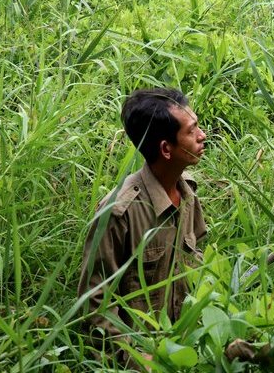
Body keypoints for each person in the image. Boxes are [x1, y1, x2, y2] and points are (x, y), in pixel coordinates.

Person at [78, 88, 207, 369]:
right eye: (192, 130)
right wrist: (136, 358)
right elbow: (94, 302)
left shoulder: (189, 195)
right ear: (165, 149)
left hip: (184, 352)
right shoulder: (119, 212)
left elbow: (197, 263)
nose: (202, 136)